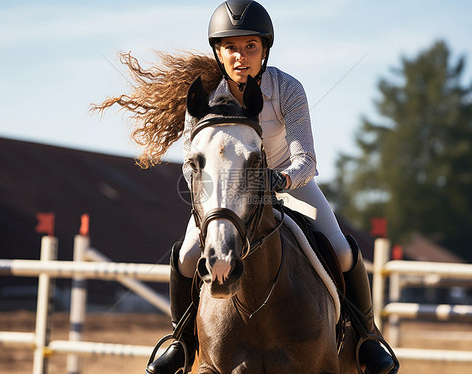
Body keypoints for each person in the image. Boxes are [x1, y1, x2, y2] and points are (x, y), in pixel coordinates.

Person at [93, 2, 397, 373]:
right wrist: (209, 193)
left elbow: (307, 159)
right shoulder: (203, 97)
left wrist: (278, 179)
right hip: (228, 192)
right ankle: (181, 340)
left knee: (341, 249)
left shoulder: (287, 88)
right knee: (188, 255)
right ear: (218, 53)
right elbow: (192, 161)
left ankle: (367, 338)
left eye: (250, 46)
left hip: (288, 181)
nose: (241, 56)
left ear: (264, 49)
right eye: (231, 48)